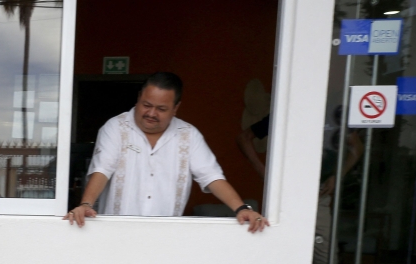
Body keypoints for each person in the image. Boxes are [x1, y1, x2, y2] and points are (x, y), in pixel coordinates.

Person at [65, 72, 267, 233]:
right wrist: (85, 203)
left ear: (176, 108)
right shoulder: (116, 127)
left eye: (161, 108)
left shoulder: (188, 135)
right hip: (115, 233)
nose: (151, 113)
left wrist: (241, 209)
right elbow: (103, 168)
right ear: (138, 99)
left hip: (166, 236)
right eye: (146, 105)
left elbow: (212, 176)